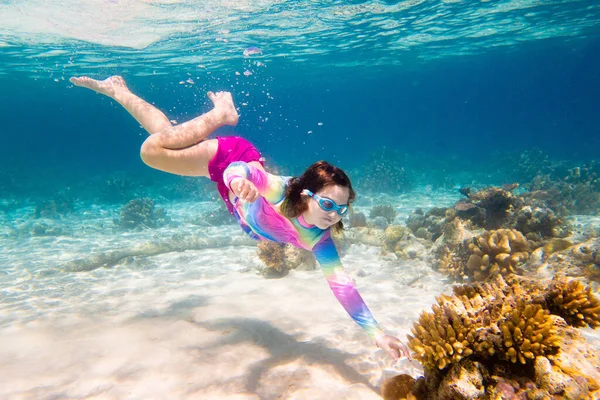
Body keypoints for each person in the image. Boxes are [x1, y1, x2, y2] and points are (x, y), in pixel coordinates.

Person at [69, 76, 411, 362]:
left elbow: (343, 286)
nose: (333, 215)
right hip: (231, 157)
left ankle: (119, 90)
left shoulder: (320, 241)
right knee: (153, 151)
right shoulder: (280, 190)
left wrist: (377, 334)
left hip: (232, 191)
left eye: (341, 209)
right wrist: (238, 182)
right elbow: (244, 169)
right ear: (306, 194)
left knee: (168, 136)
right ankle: (221, 113)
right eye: (327, 204)